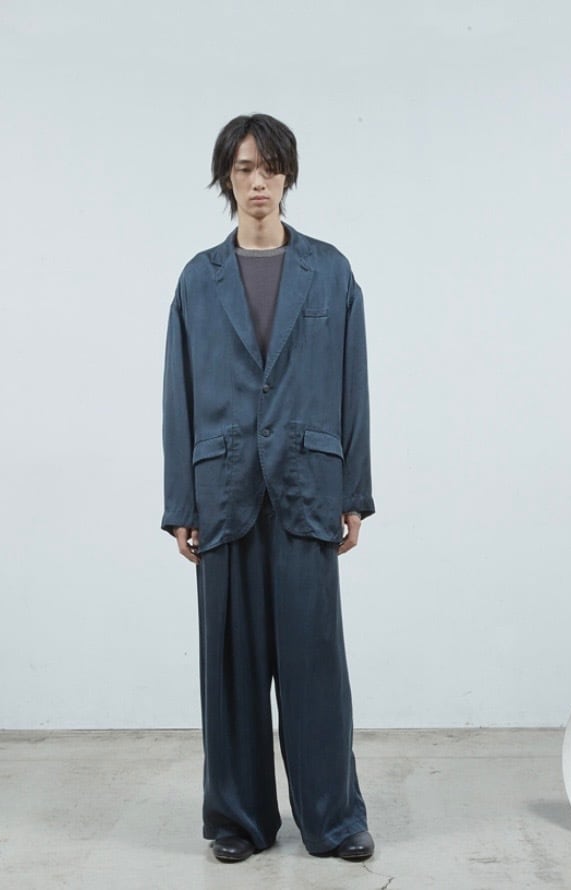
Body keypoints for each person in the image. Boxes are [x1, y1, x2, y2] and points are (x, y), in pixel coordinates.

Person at [161, 113, 376, 864]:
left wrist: (354, 492)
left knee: (316, 666)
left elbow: (352, 386)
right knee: (230, 670)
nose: (258, 181)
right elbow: (179, 395)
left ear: (287, 175)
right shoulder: (198, 279)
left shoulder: (330, 272)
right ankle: (239, 820)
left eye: (270, 167)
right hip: (222, 492)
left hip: (307, 486)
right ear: (227, 178)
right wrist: (180, 505)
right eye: (245, 168)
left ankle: (334, 819)